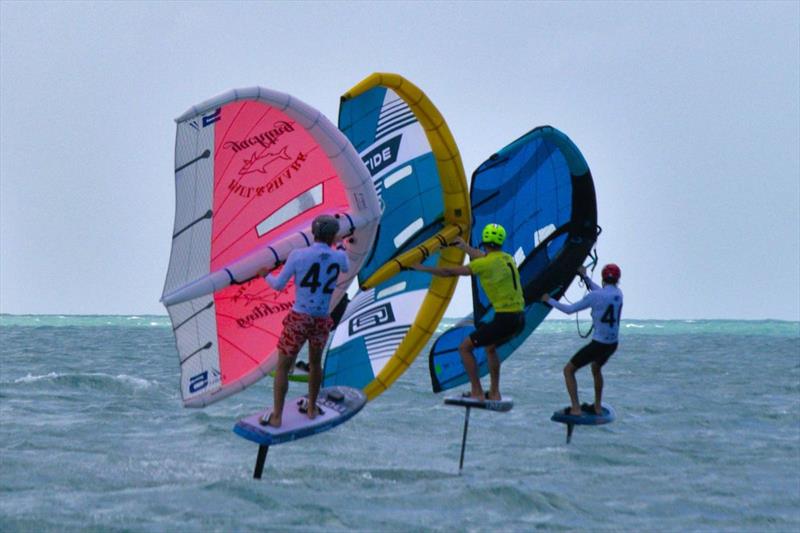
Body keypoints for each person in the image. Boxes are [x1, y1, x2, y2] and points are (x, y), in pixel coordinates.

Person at [412, 223, 524, 401]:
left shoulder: (485, 264)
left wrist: (421, 268)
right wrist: (464, 247)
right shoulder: (506, 258)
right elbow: (483, 256)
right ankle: (494, 393)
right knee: (490, 348)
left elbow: (449, 271)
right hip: (518, 318)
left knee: (464, 348)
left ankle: (477, 392)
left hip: (504, 319)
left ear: (484, 241)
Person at [257, 214, 349, 427]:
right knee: (315, 364)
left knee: (282, 367)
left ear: (314, 233)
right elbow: (344, 262)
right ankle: (311, 409)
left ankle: (278, 416)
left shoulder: (298, 255)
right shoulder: (338, 258)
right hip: (321, 318)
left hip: (299, 317)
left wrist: (264, 275)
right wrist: (341, 243)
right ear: (332, 236)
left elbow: (279, 285)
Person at [541, 263, 623, 416]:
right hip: (612, 344)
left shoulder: (595, 296)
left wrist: (548, 299)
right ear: (617, 280)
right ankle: (597, 407)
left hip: (599, 344)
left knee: (568, 370)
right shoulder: (618, 294)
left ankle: (576, 408)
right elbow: (600, 291)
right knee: (596, 368)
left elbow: (569, 310)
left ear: (603, 278)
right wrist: (585, 277)